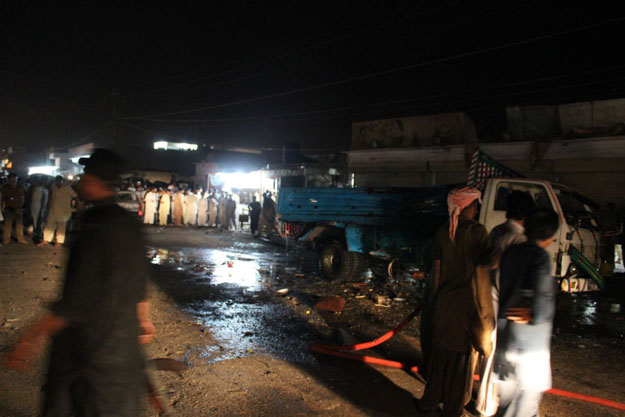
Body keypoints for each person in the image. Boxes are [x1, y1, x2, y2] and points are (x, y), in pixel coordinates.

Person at [6, 148, 155, 416]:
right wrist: (143, 321)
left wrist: (29, 339)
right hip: (123, 352)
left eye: (85, 174)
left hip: (89, 355)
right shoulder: (129, 224)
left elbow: (76, 300)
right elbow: (140, 284)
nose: (80, 181)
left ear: (92, 180)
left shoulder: (94, 227)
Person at [417, 187, 494, 417]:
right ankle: (453, 408)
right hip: (467, 305)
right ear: (467, 207)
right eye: (475, 205)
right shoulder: (478, 232)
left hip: (444, 303)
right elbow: (485, 267)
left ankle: (429, 402)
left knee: (439, 355)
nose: (477, 208)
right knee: (462, 361)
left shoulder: (442, 232)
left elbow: (437, 272)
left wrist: (435, 302)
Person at [493, 208, 559, 417]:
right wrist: (536, 315)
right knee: (524, 404)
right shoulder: (540, 257)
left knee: (507, 399)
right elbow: (541, 297)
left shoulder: (512, 252)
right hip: (529, 343)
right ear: (550, 236)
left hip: (505, 334)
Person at [475, 191, 535, 416]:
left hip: (487, 297)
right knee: (498, 355)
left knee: (488, 353)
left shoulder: (498, 230)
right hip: (504, 302)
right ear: (526, 215)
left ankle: (485, 402)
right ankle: (487, 405)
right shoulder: (519, 240)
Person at [38, 176, 77, 247]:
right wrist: (48, 205)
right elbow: (50, 196)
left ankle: (58, 242)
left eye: (59, 181)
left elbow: (75, 196)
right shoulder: (53, 187)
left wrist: (75, 205)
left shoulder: (67, 188)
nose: (58, 183)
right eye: (56, 181)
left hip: (63, 211)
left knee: (61, 227)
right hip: (52, 210)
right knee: (49, 225)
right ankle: (45, 240)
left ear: (62, 181)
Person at [1, 172, 28, 244]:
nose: (13, 180)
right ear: (9, 179)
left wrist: (20, 207)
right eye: (12, 178)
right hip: (8, 208)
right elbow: (2, 198)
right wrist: (2, 207)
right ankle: (6, 239)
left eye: (15, 178)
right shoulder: (5, 187)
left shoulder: (20, 187)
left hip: (18, 208)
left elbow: (22, 198)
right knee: (7, 225)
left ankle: (21, 239)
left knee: (19, 225)